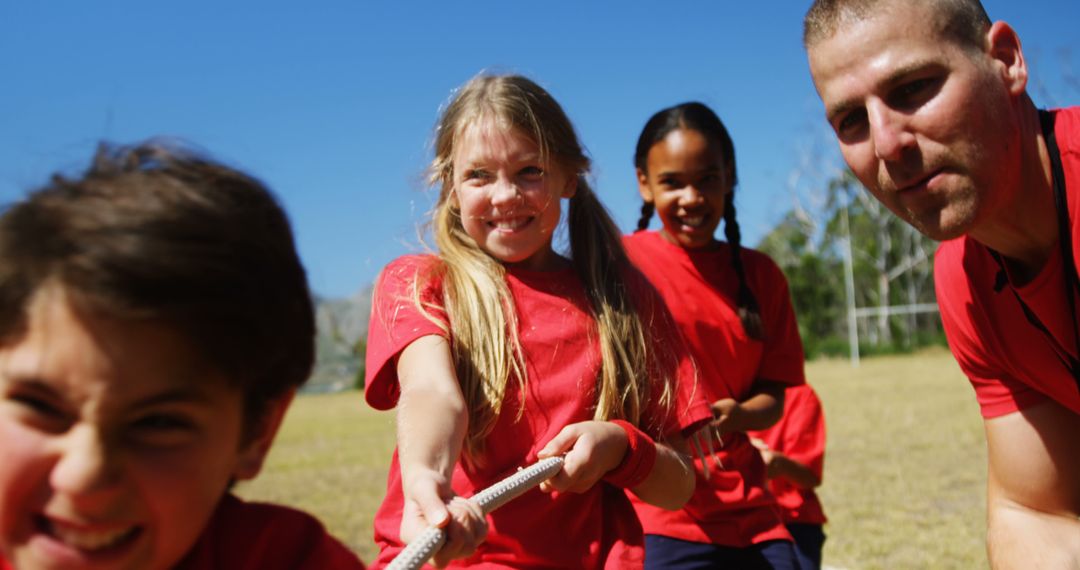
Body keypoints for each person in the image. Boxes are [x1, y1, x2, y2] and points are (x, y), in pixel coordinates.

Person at [363, 74, 712, 569]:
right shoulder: (419, 284)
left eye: (529, 170)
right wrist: (426, 483)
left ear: (569, 177)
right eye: (479, 175)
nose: (504, 195)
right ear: (452, 187)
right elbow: (432, 391)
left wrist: (621, 446)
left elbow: (678, 486)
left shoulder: (623, 300)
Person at [0, 142, 366, 570]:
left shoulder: (282, 559)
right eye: (37, 405)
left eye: (158, 423)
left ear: (258, 433)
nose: (83, 476)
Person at [804, 0, 1080, 566]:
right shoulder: (963, 281)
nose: (887, 145)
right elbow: (1035, 514)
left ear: (1004, 60)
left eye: (913, 89)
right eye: (851, 120)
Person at [625, 101, 807, 569]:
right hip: (659, 514)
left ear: (730, 177)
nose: (692, 197)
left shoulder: (762, 276)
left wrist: (736, 416)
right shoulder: (618, 265)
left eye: (707, 179)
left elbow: (774, 399)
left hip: (751, 510)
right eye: (672, 182)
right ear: (644, 183)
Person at [748, 384, 828, 570]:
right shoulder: (716, 390)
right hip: (728, 519)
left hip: (791, 520)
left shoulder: (800, 395)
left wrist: (779, 464)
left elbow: (810, 477)